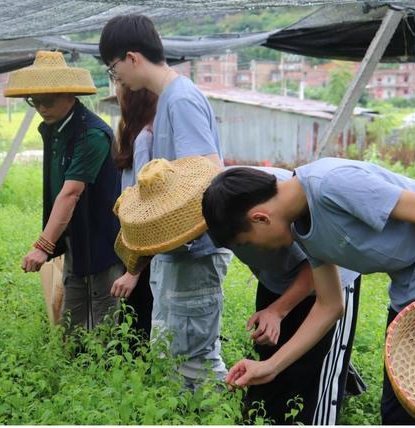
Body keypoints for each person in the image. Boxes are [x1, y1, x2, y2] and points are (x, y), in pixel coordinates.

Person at [202, 157, 415, 424]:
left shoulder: (332, 183)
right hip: (408, 282)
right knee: (400, 406)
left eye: (246, 242)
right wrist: (270, 366)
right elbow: (330, 306)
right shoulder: (303, 226)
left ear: (260, 218)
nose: (254, 250)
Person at [100, 15, 232, 387]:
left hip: (196, 250)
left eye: (113, 68)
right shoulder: (169, 100)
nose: (117, 77)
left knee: (195, 361)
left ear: (132, 57)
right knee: (172, 355)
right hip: (179, 250)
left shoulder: (181, 100)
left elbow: (206, 177)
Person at [225, 165, 366, 425]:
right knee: (271, 365)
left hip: (329, 280)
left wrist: (279, 310)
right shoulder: (221, 216)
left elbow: (320, 278)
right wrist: (274, 309)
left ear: (260, 219)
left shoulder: (301, 209)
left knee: (314, 378)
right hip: (281, 277)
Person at [5, 51, 123, 332]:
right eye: (36, 102)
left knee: (104, 322)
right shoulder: (56, 128)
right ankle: (73, 367)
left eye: (49, 100)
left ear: (70, 94)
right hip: (76, 238)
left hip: (102, 238)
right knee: (72, 320)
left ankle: (105, 371)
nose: (42, 108)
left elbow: (70, 193)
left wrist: (42, 246)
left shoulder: (91, 135)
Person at [110, 80, 157, 341]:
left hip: (143, 249)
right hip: (133, 243)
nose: (116, 88)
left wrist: (134, 270)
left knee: (138, 328)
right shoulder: (134, 133)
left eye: (120, 83)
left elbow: (145, 203)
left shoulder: (144, 138)